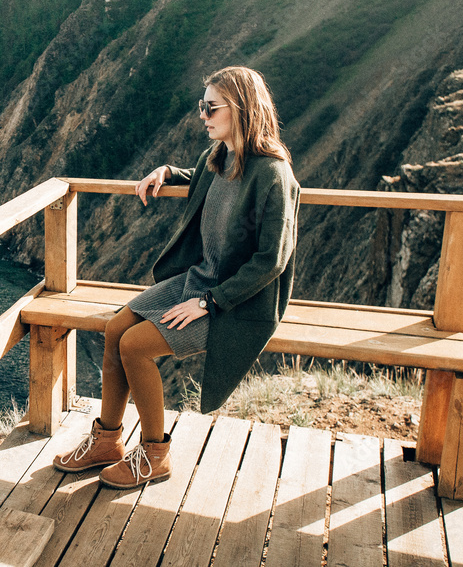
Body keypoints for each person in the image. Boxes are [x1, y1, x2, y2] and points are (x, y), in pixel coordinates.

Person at [53, 66, 300, 489]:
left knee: (134, 346)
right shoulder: (217, 159)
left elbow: (271, 261)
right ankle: (107, 442)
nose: (202, 115)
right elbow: (201, 180)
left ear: (239, 109)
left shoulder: (274, 175)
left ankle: (154, 455)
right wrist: (167, 171)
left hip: (235, 301)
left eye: (210, 107)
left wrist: (210, 301)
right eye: (200, 106)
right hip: (198, 279)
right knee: (114, 329)